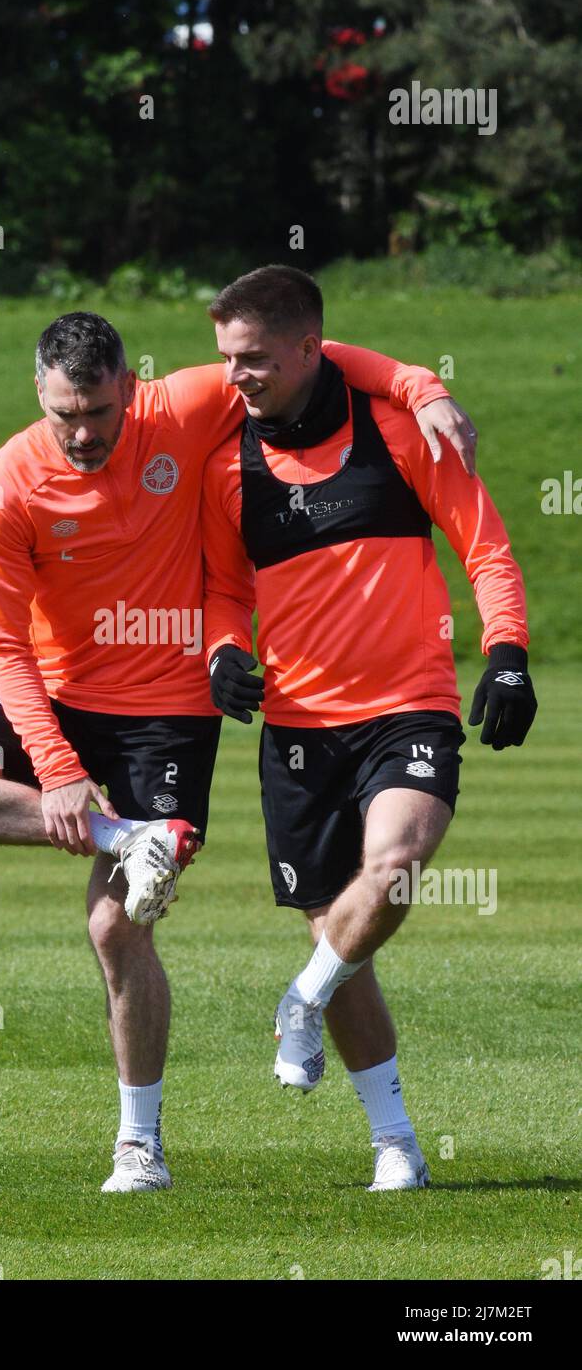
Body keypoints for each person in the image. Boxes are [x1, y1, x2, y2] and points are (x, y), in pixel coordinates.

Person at [0, 309, 475, 1193]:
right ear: (38, 396)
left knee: (114, 926)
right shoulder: (5, 488)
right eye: (63, 416)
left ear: (130, 388)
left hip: (167, 714)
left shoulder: (187, 405)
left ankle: (140, 1149)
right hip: (61, 701)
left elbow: (300, 358)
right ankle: (128, 837)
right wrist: (61, 774)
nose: (82, 435)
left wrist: (419, 384)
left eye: (99, 414)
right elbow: (5, 647)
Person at [201, 266, 537, 1191]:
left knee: (393, 870)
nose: (239, 377)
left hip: (408, 706)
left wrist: (504, 651)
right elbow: (226, 589)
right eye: (228, 359)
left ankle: (300, 998)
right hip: (299, 733)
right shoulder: (226, 464)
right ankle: (395, 1141)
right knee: (340, 937)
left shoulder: (400, 430)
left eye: (258, 359)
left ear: (312, 348)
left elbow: (486, 545)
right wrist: (225, 651)